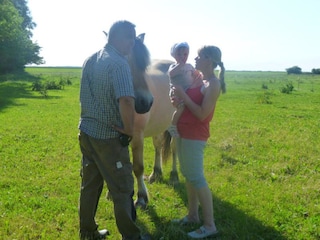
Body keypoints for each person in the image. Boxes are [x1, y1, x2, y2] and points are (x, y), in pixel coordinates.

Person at [78, 20, 150, 240]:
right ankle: (131, 236)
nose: (132, 44)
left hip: (87, 133)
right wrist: (129, 129)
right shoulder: (119, 64)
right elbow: (127, 100)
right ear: (119, 37)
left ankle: (87, 231)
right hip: (109, 138)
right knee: (122, 188)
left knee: (90, 185)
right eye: (131, 39)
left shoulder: (90, 59)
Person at [171, 45, 226, 239]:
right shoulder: (199, 79)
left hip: (196, 134)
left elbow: (202, 114)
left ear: (209, 60)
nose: (194, 59)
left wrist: (183, 95)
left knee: (196, 177)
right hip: (183, 131)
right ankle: (192, 215)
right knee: (187, 174)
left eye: (199, 56)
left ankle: (210, 225)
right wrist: (177, 100)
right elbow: (186, 103)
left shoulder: (213, 84)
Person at [167, 42, 203, 138]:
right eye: (179, 54)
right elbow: (171, 74)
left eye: (185, 54)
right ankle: (172, 126)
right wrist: (180, 65)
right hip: (177, 93)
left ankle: (185, 125)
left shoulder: (190, 66)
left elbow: (197, 75)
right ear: (174, 55)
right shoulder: (174, 66)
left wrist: (200, 77)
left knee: (189, 106)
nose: (182, 57)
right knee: (181, 107)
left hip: (187, 91)